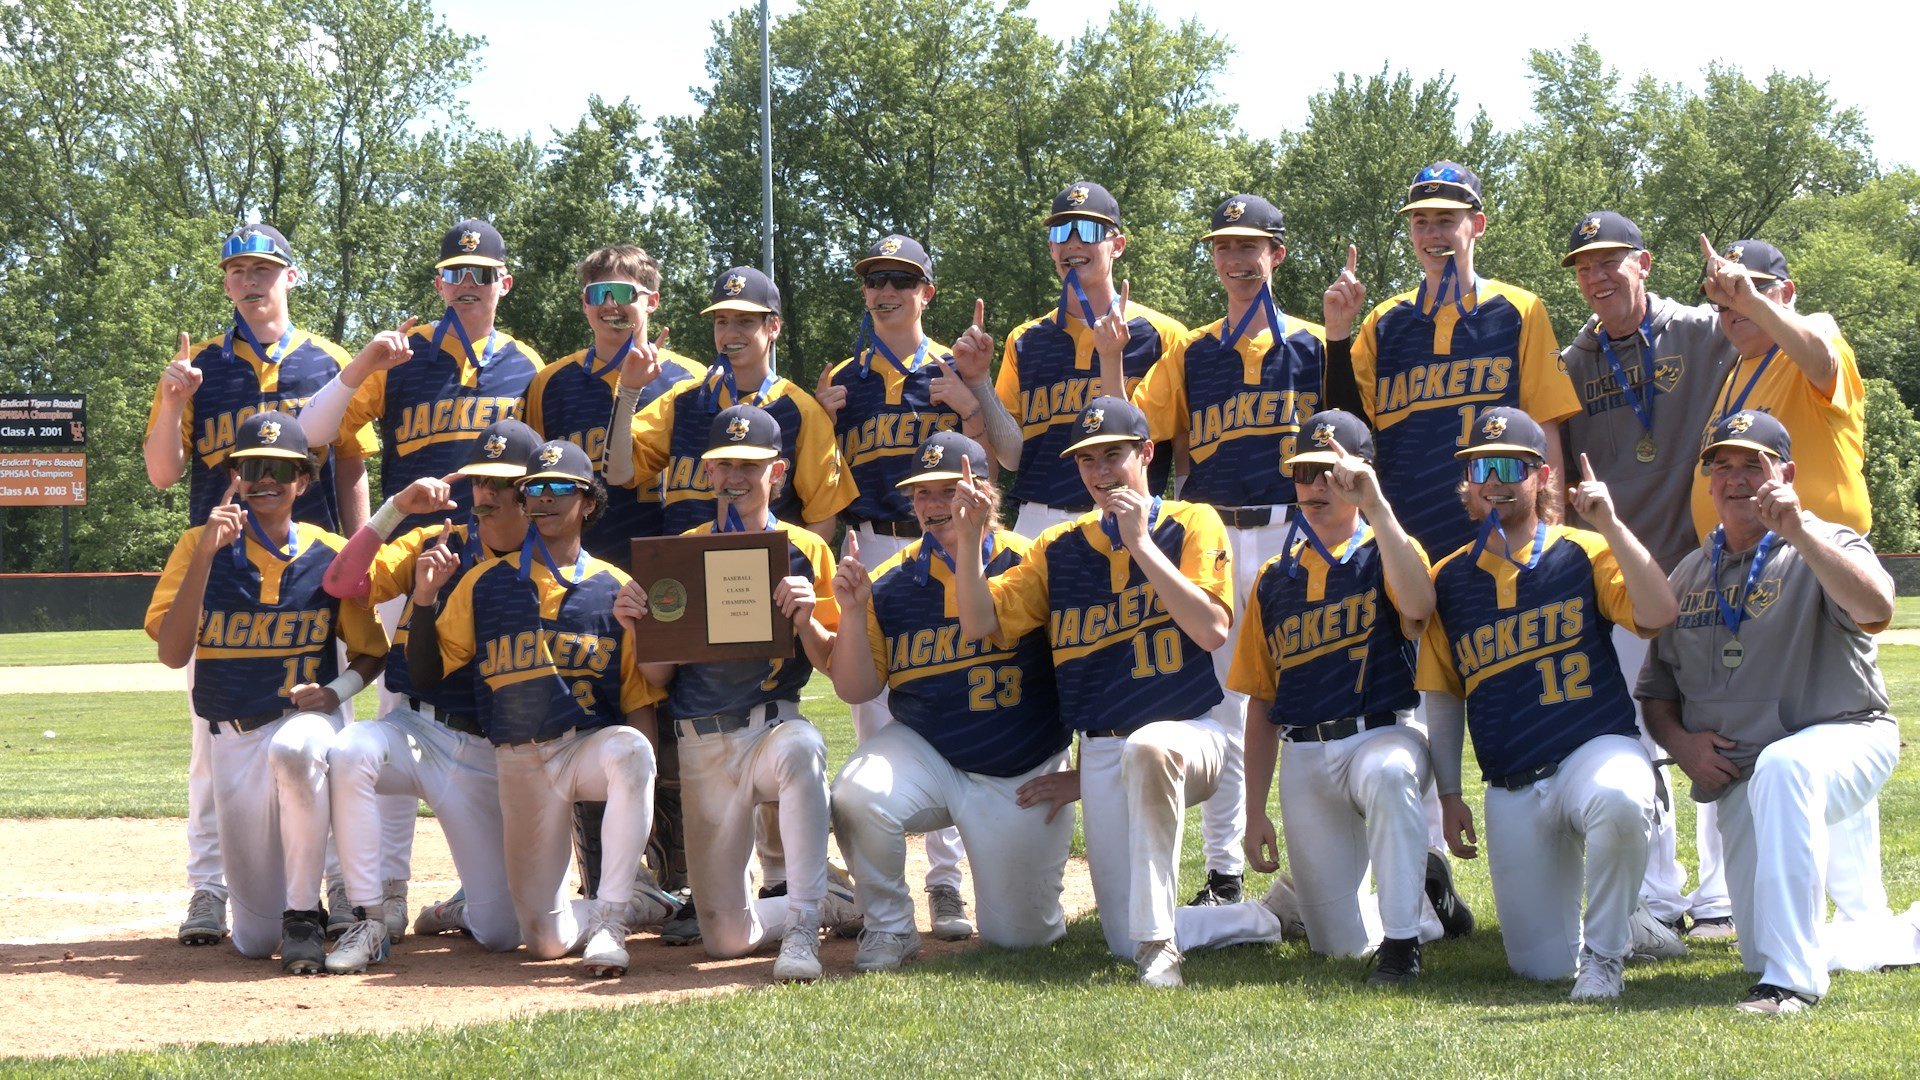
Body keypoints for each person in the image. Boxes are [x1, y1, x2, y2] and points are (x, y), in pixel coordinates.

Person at [952, 397, 1292, 988]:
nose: (1100, 471)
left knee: (1151, 748)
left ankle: (1161, 946)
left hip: (1193, 733)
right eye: (1088, 460)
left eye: (1113, 455)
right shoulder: (1058, 546)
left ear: (1146, 453)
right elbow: (979, 621)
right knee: (1117, 937)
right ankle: (1260, 917)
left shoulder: (1192, 521)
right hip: (1108, 748)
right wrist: (966, 539)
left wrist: (1141, 543)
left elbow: (1212, 628)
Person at [1322, 160, 1580, 932]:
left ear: (1478, 223)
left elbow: (1548, 426)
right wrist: (1337, 336)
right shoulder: (1385, 321)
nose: (1434, 231)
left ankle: (1580, 876)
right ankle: (1429, 874)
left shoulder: (1518, 309)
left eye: (1448, 217)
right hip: (1411, 542)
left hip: (1503, 540)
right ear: (1409, 231)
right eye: (1422, 220)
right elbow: (1345, 430)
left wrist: (1555, 525)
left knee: (1531, 693)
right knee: (1419, 708)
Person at [295, 217, 546, 931]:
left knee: (506, 706)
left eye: (481, 274)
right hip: (418, 559)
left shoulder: (526, 365)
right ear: (438, 283)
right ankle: (387, 890)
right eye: (453, 274)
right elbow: (334, 440)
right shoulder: (405, 358)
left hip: (504, 554)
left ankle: (493, 880)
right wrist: (363, 366)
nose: (467, 286)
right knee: (400, 716)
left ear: (506, 282)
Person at [1639, 411, 1920, 1015]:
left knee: (1786, 768)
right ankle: (1882, 938)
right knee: (1761, 946)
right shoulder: (1689, 573)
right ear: (1709, 483)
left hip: (1846, 736)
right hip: (1745, 773)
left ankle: (1792, 986)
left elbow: (1876, 607)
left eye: (1754, 464)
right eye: (1722, 467)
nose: (1736, 479)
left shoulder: (1825, 539)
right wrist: (1682, 746)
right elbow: (1655, 691)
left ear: (1786, 473)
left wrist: (1801, 532)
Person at [144, 223, 377, 950]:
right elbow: (161, 472)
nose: (252, 280)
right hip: (223, 575)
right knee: (209, 751)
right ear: (224, 283)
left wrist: (361, 551)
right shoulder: (203, 366)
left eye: (265, 268)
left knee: (323, 740)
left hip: (313, 580)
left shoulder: (328, 362)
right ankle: (208, 889)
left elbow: (349, 465)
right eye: (238, 269)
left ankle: (340, 884)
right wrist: (173, 400)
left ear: (291, 277)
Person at [1419, 407, 1679, 1000]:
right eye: (1482, 466)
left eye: (1511, 464)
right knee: (1537, 968)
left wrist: (1611, 524)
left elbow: (1660, 614)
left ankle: (1608, 951)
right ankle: (1630, 918)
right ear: (1469, 481)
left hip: (1592, 749)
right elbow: (1442, 695)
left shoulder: (1583, 550)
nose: (1495, 479)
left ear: (1540, 475)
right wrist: (1451, 795)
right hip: (1512, 781)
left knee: (1620, 798)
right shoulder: (1449, 578)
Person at [409, 439, 675, 978]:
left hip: (586, 746)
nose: (544, 499)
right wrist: (422, 600)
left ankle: (612, 919)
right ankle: (648, 904)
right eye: (533, 489)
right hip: (519, 761)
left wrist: (646, 797)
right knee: (545, 941)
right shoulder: (485, 582)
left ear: (588, 503)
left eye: (559, 488)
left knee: (631, 751)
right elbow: (425, 673)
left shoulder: (616, 589)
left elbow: (640, 701)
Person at [614, 405, 861, 982]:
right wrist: (638, 628)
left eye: (750, 465)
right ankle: (831, 902)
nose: (735, 477)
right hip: (702, 741)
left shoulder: (804, 549)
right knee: (724, 939)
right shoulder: (680, 551)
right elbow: (657, 679)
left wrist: (809, 620)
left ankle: (802, 926)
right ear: (707, 470)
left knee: (801, 749)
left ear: (776, 471)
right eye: (725, 464)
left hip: (774, 726)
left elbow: (833, 667)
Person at [1131, 194, 1324, 907]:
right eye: (1223, 246)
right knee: (1221, 703)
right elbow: (1132, 429)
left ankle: (1313, 872)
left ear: (1278, 253)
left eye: (1250, 246)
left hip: (1291, 530)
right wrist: (1107, 358)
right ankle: (1224, 873)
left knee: (1300, 693)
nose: (1236, 259)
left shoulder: (1312, 343)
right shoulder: (1192, 350)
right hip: (1212, 534)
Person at [816, 234, 1011, 940]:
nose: (887, 291)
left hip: (946, 545)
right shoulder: (844, 376)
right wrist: (823, 424)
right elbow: (823, 485)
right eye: (876, 280)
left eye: (902, 279)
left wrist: (969, 408)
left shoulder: (951, 365)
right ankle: (880, 891)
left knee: (947, 701)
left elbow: (992, 469)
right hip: (872, 542)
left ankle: (947, 882)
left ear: (927, 291)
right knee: (873, 720)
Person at [145, 411, 388, 973]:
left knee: (297, 747)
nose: (266, 480)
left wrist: (338, 691)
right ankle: (278, 915)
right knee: (254, 939)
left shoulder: (330, 551)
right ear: (235, 477)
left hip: (303, 725)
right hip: (233, 735)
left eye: (282, 468)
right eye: (252, 467)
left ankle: (309, 912)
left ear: (304, 480)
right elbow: (173, 653)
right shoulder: (196, 545)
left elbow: (373, 650)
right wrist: (205, 554)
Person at [827, 431, 1076, 971]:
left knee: (1021, 939)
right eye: (922, 493)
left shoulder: (1031, 561)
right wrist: (851, 611)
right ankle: (889, 927)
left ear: (985, 493)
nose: (934, 505)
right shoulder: (891, 580)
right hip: (930, 751)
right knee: (856, 792)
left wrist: (1079, 772)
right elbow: (855, 689)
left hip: (1020, 770)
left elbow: (1078, 668)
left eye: (948, 490)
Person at [1557, 211, 1740, 940]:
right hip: (1628, 584)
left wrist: (1742, 292)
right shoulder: (1575, 363)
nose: (1597, 277)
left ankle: (1724, 894)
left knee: (1722, 726)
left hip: (1708, 567)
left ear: (1645, 263)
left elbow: (1774, 331)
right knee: (1643, 737)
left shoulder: (1700, 331)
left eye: (1610, 262)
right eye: (1584, 267)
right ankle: (1660, 896)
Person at [317, 418, 546, 970]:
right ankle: (368, 917)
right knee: (349, 751)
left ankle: (464, 906)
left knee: (500, 932)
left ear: (532, 492)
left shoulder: (551, 564)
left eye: (501, 483)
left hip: (486, 753)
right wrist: (396, 506)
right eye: (479, 481)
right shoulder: (437, 539)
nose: (485, 494)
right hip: (413, 728)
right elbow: (341, 582)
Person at [1226, 410, 1445, 985]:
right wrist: (1253, 812)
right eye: (1304, 472)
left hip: (1382, 733)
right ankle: (1422, 905)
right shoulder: (1274, 579)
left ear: (1361, 474)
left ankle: (1402, 948)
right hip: (1305, 757)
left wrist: (1377, 507)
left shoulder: (1388, 548)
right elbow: (1260, 704)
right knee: (1338, 947)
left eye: (1331, 471)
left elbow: (1420, 606)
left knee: (1392, 774)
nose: (1316, 485)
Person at [521, 244, 703, 932]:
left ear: (652, 302)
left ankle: (681, 884)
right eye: (600, 293)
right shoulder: (551, 384)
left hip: (663, 571)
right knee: (588, 720)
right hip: (579, 576)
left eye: (627, 292)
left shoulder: (689, 379)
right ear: (584, 304)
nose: (613, 305)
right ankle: (605, 880)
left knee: (674, 726)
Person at [994, 181, 1187, 536]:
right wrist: (976, 389)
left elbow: (1182, 445)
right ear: (1051, 247)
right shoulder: (1024, 339)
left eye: (1088, 230)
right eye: (1061, 231)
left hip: (1128, 511)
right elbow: (1010, 457)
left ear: (1118, 246)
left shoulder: (1164, 334)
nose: (1073, 243)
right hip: (1038, 517)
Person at [615, 266, 853, 543]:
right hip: (688, 570)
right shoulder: (683, 398)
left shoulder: (801, 409)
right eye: (722, 321)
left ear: (773, 327)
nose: (730, 333)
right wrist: (629, 390)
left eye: (745, 321)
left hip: (768, 575)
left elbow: (821, 517)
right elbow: (621, 471)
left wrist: (794, 570)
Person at [1690, 237, 1870, 540]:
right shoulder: (1732, 373)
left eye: (1748, 288)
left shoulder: (1808, 353)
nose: (1735, 303)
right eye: (1724, 298)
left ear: (1786, 293)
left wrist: (1753, 304)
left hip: (1817, 553)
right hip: (1735, 563)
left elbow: (1823, 362)